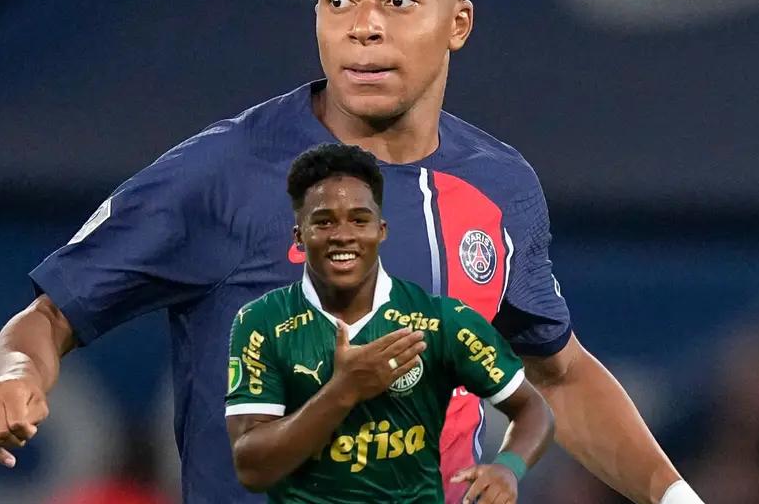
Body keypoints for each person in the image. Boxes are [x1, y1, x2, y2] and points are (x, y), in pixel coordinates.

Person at [0, 0, 703, 503]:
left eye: (398, 0)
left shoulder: (500, 188)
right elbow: (50, 317)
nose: (363, 24)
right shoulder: (221, 173)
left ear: (458, 24)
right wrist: (14, 376)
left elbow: (558, 373)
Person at [225, 143, 553, 503]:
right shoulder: (262, 323)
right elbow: (252, 469)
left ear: (381, 230)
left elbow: (534, 409)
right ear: (299, 236)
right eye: (324, 222)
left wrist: (508, 467)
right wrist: (343, 390)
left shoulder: (439, 321)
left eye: (359, 220)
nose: (343, 235)